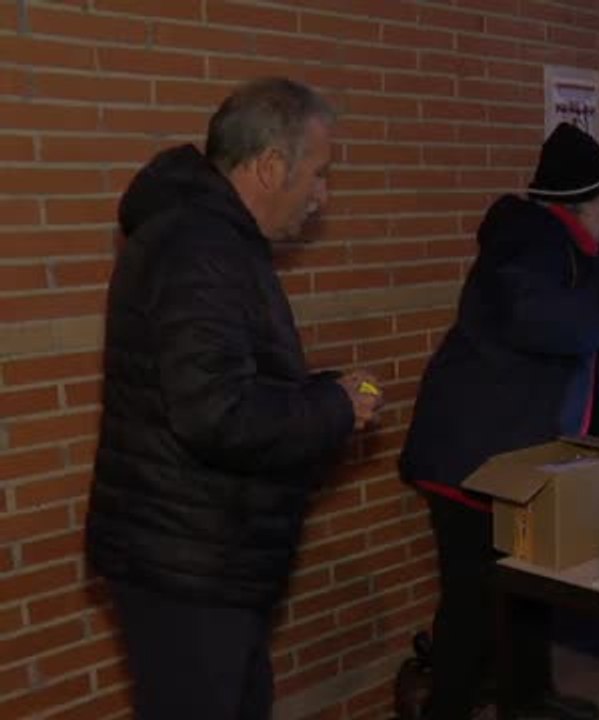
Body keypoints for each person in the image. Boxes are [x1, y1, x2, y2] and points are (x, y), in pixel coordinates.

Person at [87, 78, 382, 720]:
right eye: (319, 173)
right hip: (186, 563)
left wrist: (320, 390)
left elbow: (223, 382)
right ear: (272, 166)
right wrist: (333, 409)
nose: (322, 196)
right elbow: (215, 413)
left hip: (202, 555)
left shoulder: (212, 240)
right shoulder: (199, 247)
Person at [399, 122, 599, 720]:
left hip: (509, 459)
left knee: (525, 586)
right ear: (595, 203)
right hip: (472, 457)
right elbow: (529, 311)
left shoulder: (562, 245)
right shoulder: (527, 240)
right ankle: (450, 708)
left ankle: (528, 699)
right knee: (472, 600)